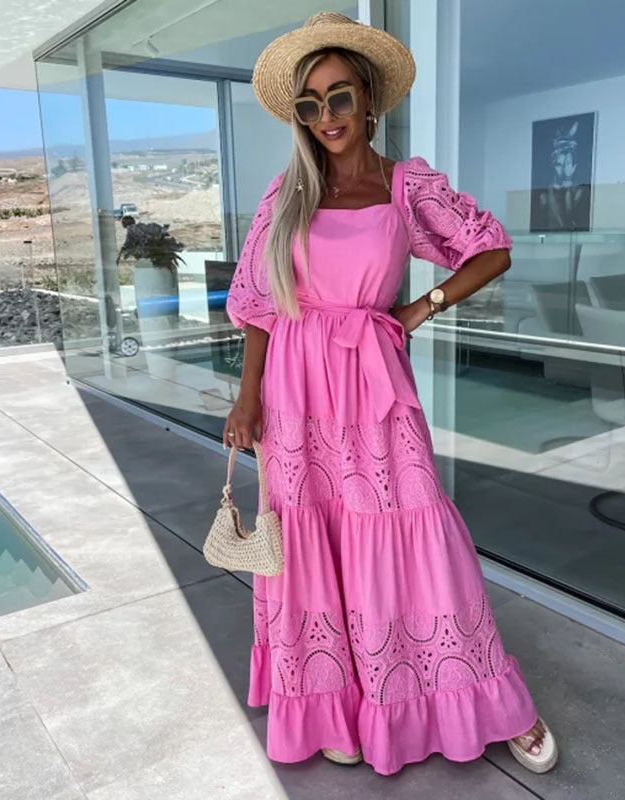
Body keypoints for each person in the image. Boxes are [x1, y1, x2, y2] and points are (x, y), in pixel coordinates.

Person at [222, 12, 558, 777]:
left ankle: (488, 697)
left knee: (415, 527)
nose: (327, 116)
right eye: (311, 103)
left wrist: (419, 308)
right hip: (294, 388)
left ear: (369, 100)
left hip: (373, 384)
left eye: (339, 96)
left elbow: (491, 249)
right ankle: (332, 705)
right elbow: (258, 304)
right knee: (311, 543)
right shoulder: (286, 193)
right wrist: (247, 398)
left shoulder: (406, 186)